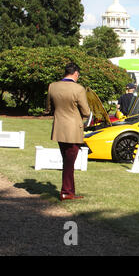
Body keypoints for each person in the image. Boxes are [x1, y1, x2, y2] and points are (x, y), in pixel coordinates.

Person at [46, 63, 91, 201]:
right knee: (69, 162)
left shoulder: (52, 86)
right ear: (76, 73)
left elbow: (48, 107)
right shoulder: (78, 89)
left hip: (59, 127)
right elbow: (86, 111)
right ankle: (66, 192)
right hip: (73, 129)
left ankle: (69, 191)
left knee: (67, 160)